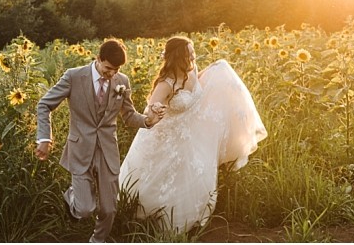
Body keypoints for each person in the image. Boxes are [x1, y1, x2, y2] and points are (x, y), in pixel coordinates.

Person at [118, 36, 268, 233]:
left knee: (195, 173)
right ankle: (150, 221)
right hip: (165, 138)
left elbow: (205, 82)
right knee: (158, 181)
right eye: (189, 54)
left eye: (193, 52)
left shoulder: (192, 71)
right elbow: (150, 111)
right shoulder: (166, 84)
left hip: (188, 136)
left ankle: (191, 221)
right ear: (178, 57)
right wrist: (155, 110)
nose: (193, 56)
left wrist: (220, 69)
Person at [34, 38, 166, 243]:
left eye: (116, 69)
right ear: (98, 59)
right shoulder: (74, 76)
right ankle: (72, 197)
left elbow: (129, 116)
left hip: (107, 150)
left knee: (109, 207)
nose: (112, 73)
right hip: (80, 148)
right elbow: (44, 105)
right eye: (108, 68)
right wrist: (44, 138)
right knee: (85, 208)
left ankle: (98, 240)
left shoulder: (122, 81)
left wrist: (149, 120)